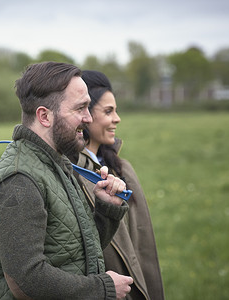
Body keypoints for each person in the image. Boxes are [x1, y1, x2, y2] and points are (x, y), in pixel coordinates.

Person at [0, 62, 134, 300]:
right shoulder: (19, 182)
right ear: (44, 116)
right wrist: (103, 289)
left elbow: (74, 252)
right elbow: (26, 279)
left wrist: (107, 209)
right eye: (80, 108)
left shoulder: (57, 165)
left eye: (89, 107)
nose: (89, 118)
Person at [70, 70, 165, 300]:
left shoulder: (123, 169)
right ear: (86, 114)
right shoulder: (70, 174)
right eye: (108, 111)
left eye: (116, 110)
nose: (117, 118)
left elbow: (143, 247)